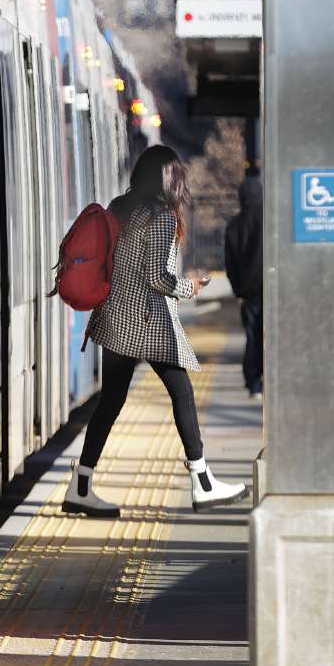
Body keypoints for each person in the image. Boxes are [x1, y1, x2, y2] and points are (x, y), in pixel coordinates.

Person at [62, 145, 249, 517]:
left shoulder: (120, 206)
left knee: (111, 402)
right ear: (170, 179)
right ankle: (203, 482)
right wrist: (190, 286)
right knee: (182, 393)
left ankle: (80, 485)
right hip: (146, 321)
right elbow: (157, 278)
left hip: (114, 317)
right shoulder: (161, 216)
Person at [225, 171, 263, 399]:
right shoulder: (270, 221)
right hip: (272, 289)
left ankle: (254, 383)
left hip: (248, 293)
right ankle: (270, 378)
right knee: (269, 334)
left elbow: (230, 263)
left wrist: (238, 289)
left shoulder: (234, 226)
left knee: (252, 335)